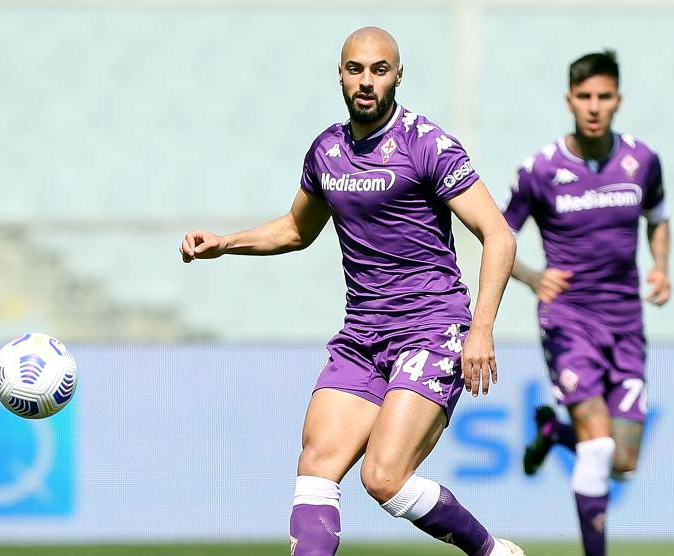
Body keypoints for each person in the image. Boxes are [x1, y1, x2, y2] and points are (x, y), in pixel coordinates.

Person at [181, 27, 521, 555]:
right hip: (363, 338)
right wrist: (227, 243)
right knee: (316, 464)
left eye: (378, 70)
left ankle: (491, 552)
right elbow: (296, 230)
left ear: (398, 76)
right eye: (355, 69)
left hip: (432, 330)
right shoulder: (326, 151)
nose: (366, 81)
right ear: (340, 74)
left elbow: (498, 234)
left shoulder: (426, 145)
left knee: (384, 478)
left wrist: (482, 328)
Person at [503, 51, 670, 556]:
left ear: (617, 100)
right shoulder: (540, 169)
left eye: (603, 97)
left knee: (622, 461)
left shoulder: (642, 161)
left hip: (626, 323)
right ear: (569, 100)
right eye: (584, 97)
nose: (594, 106)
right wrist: (533, 277)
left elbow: (658, 218)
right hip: (569, 321)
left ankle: (554, 432)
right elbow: (498, 240)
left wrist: (660, 265)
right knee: (597, 450)